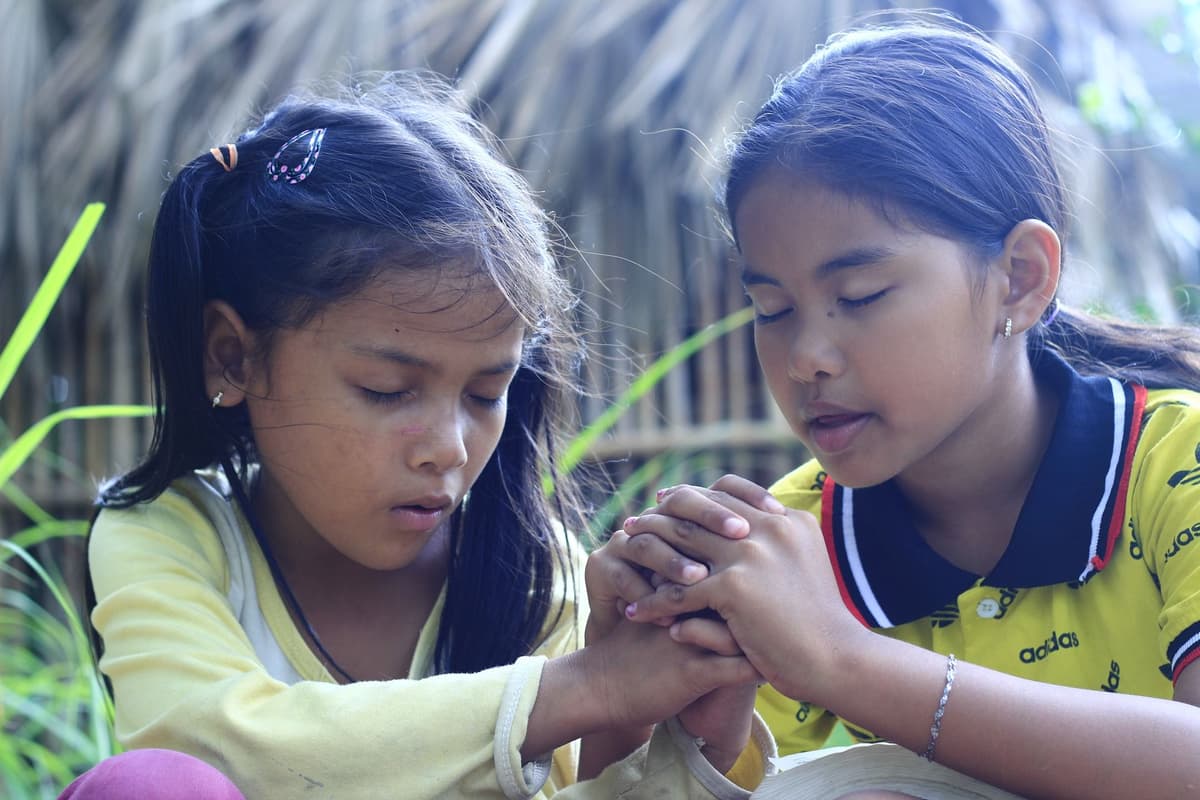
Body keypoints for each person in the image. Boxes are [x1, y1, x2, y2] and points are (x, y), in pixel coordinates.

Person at [65, 74, 773, 800]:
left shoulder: (534, 572)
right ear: (233, 357)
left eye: (486, 394)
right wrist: (585, 689)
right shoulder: (169, 536)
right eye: (387, 389)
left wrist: (675, 725)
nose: (450, 448)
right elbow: (208, 744)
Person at [591, 13, 1200, 800]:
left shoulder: (1175, 465)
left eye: (860, 295)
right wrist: (641, 707)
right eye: (773, 309)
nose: (806, 356)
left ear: (1020, 277)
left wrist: (843, 660)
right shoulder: (789, 545)